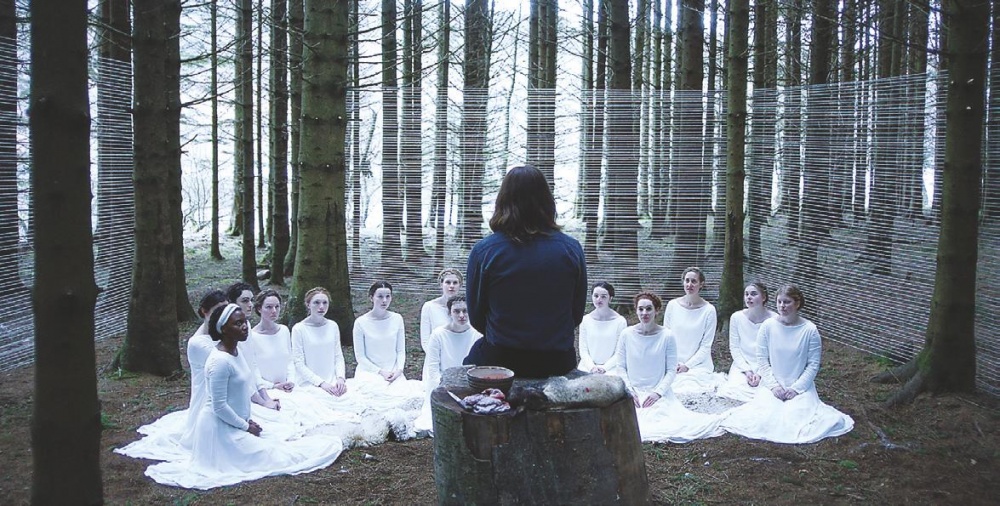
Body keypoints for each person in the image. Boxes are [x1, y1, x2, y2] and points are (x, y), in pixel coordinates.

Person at [144, 304, 343, 489]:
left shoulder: (235, 352)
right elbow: (218, 406)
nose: (245, 327)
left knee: (278, 450)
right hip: (218, 430)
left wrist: (247, 419)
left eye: (245, 322)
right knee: (277, 457)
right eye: (238, 324)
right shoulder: (219, 362)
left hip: (236, 423)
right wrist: (245, 426)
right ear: (223, 328)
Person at [464, 164, 587, 378]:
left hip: (502, 359)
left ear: (502, 201)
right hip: (557, 360)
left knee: (471, 360)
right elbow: (576, 313)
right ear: (547, 202)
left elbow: (476, 316)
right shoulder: (571, 249)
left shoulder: (485, 252)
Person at [719, 285, 854, 444]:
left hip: (800, 386)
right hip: (772, 384)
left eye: (787, 302)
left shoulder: (810, 330)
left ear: (797, 303)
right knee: (764, 416)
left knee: (798, 416)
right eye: (779, 302)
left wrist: (796, 389)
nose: (782, 306)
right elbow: (762, 359)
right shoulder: (768, 326)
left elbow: (813, 364)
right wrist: (773, 386)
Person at [612, 292, 724, 443]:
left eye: (649, 309)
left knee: (660, 419)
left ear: (657, 310)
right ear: (636, 310)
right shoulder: (626, 334)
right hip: (633, 391)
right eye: (641, 309)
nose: (644, 313)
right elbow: (620, 367)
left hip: (658, 391)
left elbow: (671, 370)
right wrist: (630, 391)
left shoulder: (667, 336)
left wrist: (657, 393)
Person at [414, 295, 482, 434]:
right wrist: (443, 387)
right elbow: (433, 368)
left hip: (468, 385)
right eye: (457, 311)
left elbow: (479, 367)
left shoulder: (477, 335)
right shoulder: (438, 335)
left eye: (465, 311)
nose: (461, 315)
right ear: (449, 313)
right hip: (443, 385)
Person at [663, 267, 724, 394]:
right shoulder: (672, 305)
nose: (689, 284)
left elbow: (706, 345)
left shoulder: (709, 310)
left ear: (701, 284)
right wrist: (673, 363)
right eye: (687, 280)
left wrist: (687, 366)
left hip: (698, 365)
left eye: (694, 281)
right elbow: (666, 338)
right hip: (673, 362)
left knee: (689, 388)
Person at [717, 282, 777, 401]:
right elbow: (734, 348)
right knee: (736, 389)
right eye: (746, 294)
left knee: (766, 392)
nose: (749, 297)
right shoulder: (736, 317)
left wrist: (760, 373)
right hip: (742, 364)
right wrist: (747, 371)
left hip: (766, 365)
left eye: (753, 294)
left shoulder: (774, 319)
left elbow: (773, 351)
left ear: (763, 297)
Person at [291, 287, 348, 397]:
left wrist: (340, 378)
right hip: (309, 383)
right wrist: (321, 383)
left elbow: (338, 356)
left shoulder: (333, 326)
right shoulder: (299, 329)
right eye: (316, 303)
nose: (321, 307)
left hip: (332, 380)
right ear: (308, 304)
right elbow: (298, 363)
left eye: (325, 303)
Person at [353, 281, 406, 384]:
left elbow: (400, 351)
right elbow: (360, 357)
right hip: (369, 372)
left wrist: (399, 370)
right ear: (371, 298)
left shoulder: (397, 319)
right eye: (380, 297)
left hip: (394, 371)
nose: (384, 300)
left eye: (388, 296)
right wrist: (381, 372)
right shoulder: (360, 322)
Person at [577, 282, 628, 374]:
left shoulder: (620, 322)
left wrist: (604, 368)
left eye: (603, 296)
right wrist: (592, 367)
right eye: (596, 296)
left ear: (610, 298)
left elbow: (620, 351)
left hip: (612, 369)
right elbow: (583, 350)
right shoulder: (585, 320)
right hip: (587, 367)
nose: (599, 299)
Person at [420, 268, 463, 352]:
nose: (451, 286)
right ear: (441, 284)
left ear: (460, 285)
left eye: (455, 283)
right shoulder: (429, 307)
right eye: (448, 282)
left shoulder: (466, 308)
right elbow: (425, 340)